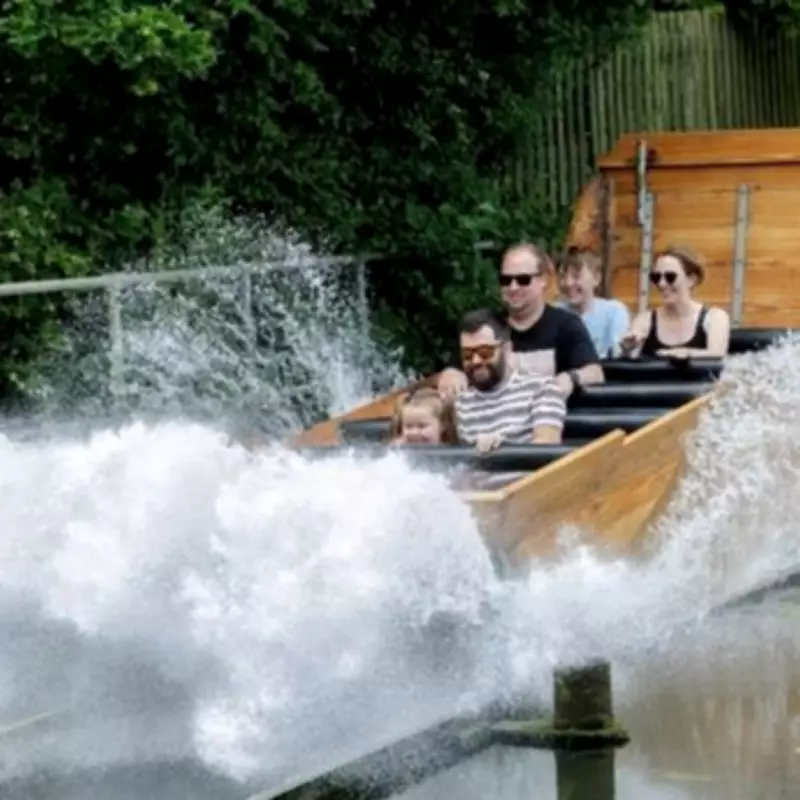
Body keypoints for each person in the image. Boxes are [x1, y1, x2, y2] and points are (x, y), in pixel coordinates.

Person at [438, 242, 604, 399]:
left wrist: (571, 378)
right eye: (506, 280)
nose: (513, 287)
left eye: (523, 280)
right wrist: (451, 374)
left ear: (543, 280)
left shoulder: (566, 325)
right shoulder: (485, 326)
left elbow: (595, 372)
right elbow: (455, 367)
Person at [453, 308, 566, 453]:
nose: (475, 361)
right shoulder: (461, 402)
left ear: (506, 349)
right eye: (467, 354)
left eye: (484, 352)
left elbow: (547, 449)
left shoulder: (542, 389)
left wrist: (505, 449)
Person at [620, 245, 731, 359]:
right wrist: (627, 350)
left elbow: (717, 357)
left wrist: (684, 354)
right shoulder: (644, 321)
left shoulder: (714, 318)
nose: (661, 284)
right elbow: (629, 367)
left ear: (691, 280)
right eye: (656, 277)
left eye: (670, 277)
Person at [555, 246, 630, 359]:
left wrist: (626, 349)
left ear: (596, 278)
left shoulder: (614, 312)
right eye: (563, 277)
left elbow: (619, 356)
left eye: (576, 276)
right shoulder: (555, 314)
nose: (568, 283)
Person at [389, 387, 458, 445]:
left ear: (442, 425)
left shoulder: (451, 454)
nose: (414, 432)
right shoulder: (399, 451)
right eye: (408, 426)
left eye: (422, 426)